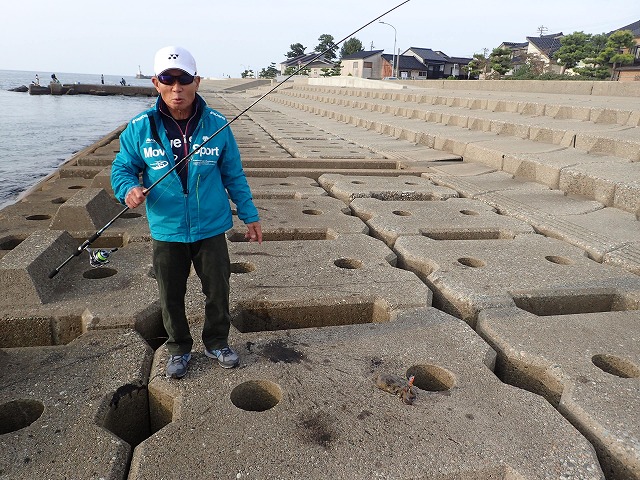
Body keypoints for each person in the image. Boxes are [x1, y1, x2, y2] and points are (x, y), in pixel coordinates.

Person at [111, 46, 262, 379]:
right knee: (170, 294)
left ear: (197, 81)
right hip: (167, 229)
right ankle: (178, 348)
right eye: (168, 81)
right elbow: (122, 168)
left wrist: (249, 215)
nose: (176, 89)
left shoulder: (218, 125)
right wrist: (128, 189)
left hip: (211, 227)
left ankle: (217, 342)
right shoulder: (140, 127)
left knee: (218, 290)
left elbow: (233, 174)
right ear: (156, 83)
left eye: (184, 81)